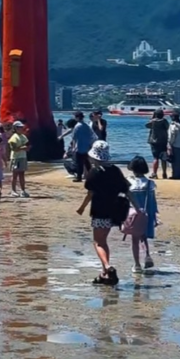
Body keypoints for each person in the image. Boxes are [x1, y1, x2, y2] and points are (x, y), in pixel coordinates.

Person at [77, 140, 137, 286]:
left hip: (99, 210)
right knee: (104, 241)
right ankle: (105, 273)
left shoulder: (94, 173)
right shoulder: (115, 170)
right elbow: (127, 191)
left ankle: (108, 266)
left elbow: (90, 193)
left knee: (98, 242)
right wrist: (138, 207)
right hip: (114, 211)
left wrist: (82, 207)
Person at [126, 156, 158, 274]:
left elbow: (125, 199)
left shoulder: (129, 182)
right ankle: (147, 256)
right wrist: (154, 217)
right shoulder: (150, 183)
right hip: (146, 214)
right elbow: (152, 203)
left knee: (134, 240)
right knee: (144, 238)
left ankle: (137, 264)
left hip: (133, 214)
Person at [69, 112, 94, 182]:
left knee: (79, 163)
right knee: (87, 162)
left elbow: (74, 138)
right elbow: (92, 136)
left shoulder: (77, 126)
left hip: (79, 147)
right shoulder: (86, 125)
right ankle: (91, 176)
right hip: (86, 147)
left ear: (77, 117)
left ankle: (79, 178)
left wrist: (73, 147)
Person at [145, 109, 169, 180]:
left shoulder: (153, 122)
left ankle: (155, 173)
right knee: (163, 158)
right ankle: (164, 173)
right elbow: (167, 127)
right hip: (163, 141)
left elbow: (146, 125)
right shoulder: (164, 121)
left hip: (154, 142)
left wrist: (152, 119)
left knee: (156, 158)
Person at [9, 121, 30, 198]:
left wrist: (27, 148)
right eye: (19, 127)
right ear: (15, 128)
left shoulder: (23, 136)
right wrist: (23, 148)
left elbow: (27, 145)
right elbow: (13, 148)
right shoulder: (14, 137)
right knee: (15, 175)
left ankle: (23, 190)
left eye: (22, 127)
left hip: (23, 157)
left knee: (22, 174)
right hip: (16, 158)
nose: (21, 128)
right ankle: (13, 191)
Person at [167, 111, 180, 180]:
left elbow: (171, 136)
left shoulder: (173, 125)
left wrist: (169, 144)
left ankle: (176, 175)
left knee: (175, 161)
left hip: (175, 144)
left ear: (172, 117)